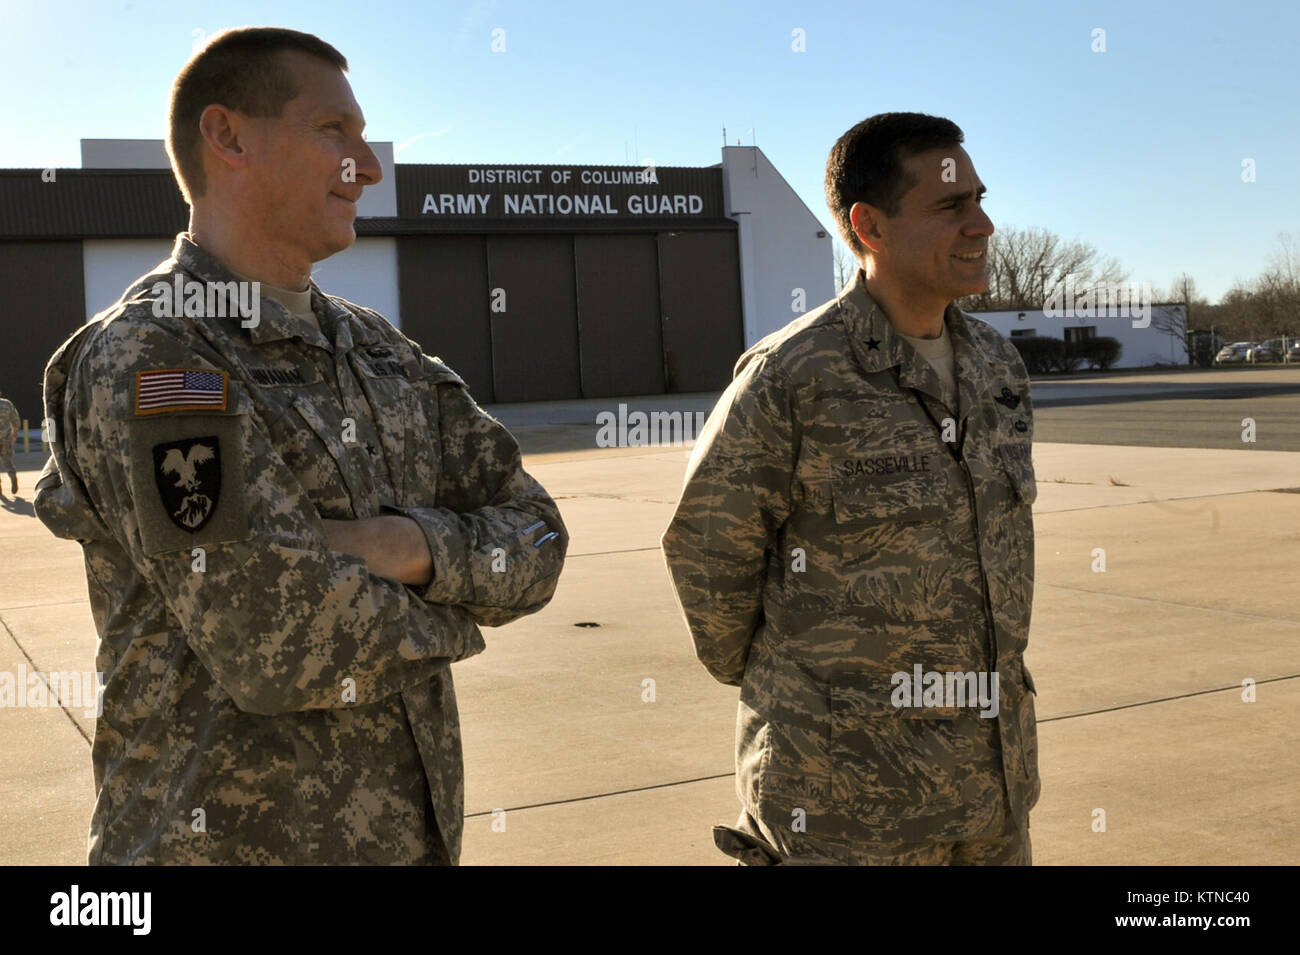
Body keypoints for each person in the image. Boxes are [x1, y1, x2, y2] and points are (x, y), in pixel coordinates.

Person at [34, 27, 567, 865]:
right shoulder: (157, 356)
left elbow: (539, 537)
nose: (369, 165)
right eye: (334, 131)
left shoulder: (381, 351)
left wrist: (410, 544)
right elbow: (277, 638)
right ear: (228, 136)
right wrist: (468, 598)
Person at [662, 113, 1039, 865]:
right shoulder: (793, 378)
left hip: (991, 797)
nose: (982, 223)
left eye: (978, 198)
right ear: (870, 225)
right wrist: (806, 695)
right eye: (950, 206)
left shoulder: (998, 369)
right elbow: (708, 553)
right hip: (842, 809)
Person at [0, 391, 19, 495]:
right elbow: (15, 420)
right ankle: (12, 476)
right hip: (6, 437)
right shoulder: (7, 404)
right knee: (7, 460)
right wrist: (14, 435)